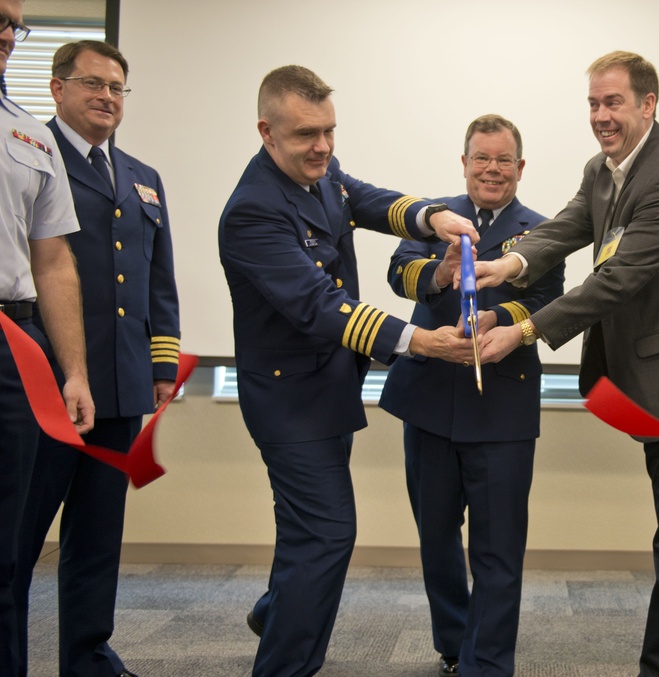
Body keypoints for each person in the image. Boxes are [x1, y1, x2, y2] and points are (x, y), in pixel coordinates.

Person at [476, 51, 659, 677]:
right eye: (594, 103)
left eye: (613, 102)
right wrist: (506, 266)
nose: (601, 116)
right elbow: (564, 229)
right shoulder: (602, 169)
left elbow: (618, 278)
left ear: (648, 104)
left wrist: (524, 328)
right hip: (656, 376)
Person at [218, 65, 479, 677]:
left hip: (329, 391)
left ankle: (278, 610)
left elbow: (365, 199)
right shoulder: (253, 212)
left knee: (307, 535)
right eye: (308, 134)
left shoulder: (319, 171)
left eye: (330, 131)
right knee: (328, 536)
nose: (324, 147)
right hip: (289, 406)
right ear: (267, 131)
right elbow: (319, 307)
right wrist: (418, 341)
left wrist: (433, 216)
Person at [10, 40, 180, 677]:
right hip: (42, 382)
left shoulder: (142, 175)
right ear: (56, 89)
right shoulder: (28, 156)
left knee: (97, 537)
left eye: (117, 88)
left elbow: (156, 280)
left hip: (120, 381)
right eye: (92, 84)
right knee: (19, 541)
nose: (107, 97)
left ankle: (87, 658)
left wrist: (161, 364)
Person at [379, 114, 564, 677]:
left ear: (520, 168)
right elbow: (397, 271)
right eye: (481, 158)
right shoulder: (436, 217)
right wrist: (439, 273)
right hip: (429, 401)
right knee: (436, 538)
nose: (491, 169)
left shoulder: (542, 229)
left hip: (501, 409)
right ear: (464, 162)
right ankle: (456, 645)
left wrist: (497, 315)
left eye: (502, 160)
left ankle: (487, 663)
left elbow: (550, 300)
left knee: (498, 547)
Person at [0, 2, 95, 674]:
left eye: (13, 23)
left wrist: (75, 373)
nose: (7, 34)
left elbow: (53, 261)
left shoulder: (28, 135)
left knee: (8, 545)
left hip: (12, 340)